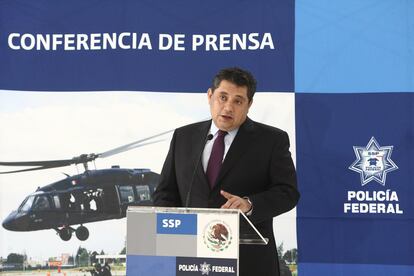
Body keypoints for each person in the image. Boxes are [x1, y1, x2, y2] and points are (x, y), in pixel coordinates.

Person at [153, 67, 299, 276]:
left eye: (238, 101)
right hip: (191, 260)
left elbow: (288, 193)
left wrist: (250, 204)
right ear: (210, 96)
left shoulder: (271, 140)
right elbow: (165, 193)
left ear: (249, 105)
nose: (228, 107)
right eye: (223, 97)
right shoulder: (184, 137)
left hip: (249, 262)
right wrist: (171, 233)